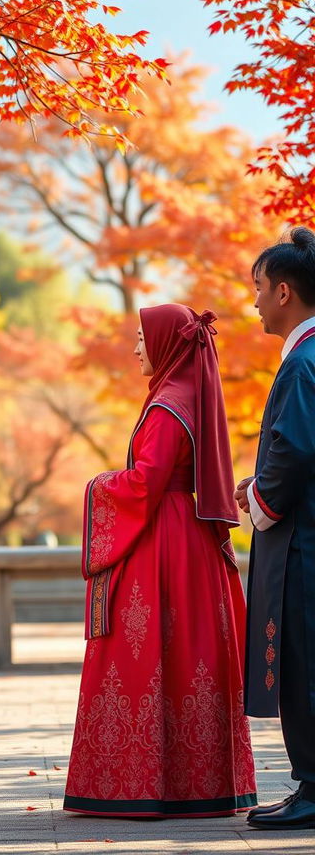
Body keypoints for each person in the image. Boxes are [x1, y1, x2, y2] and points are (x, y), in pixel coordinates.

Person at [64, 304, 257, 818]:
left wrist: (98, 484)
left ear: (166, 343)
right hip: (190, 541)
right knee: (186, 652)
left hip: (163, 540)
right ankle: (197, 783)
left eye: (141, 340)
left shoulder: (169, 405)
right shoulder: (191, 396)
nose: (134, 350)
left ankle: (142, 784)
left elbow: (146, 482)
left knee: (147, 651)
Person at [234, 227, 315, 830]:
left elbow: (292, 452)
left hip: (305, 542)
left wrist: (260, 499)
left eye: (259, 288)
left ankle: (313, 787)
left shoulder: (303, 363)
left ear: (285, 292)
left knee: (304, 658)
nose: (255, 301)